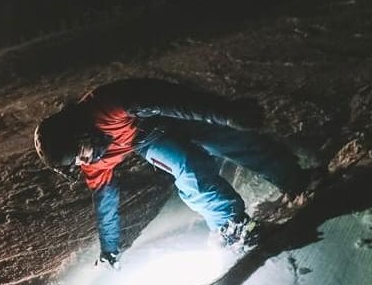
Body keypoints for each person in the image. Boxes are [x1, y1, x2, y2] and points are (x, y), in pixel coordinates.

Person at [33, 77, 322, 268]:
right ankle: (230, 227)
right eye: (80, 161)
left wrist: (225, 113)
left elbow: (172, 99)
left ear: (79, 128)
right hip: (151, 140)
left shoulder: (105, 105)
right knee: (187, 165)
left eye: (84, 148)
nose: (90, 156)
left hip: (165, 117)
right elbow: (105, 202)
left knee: (228, 138)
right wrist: (109, 248)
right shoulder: (95, 161)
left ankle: (293, 178)